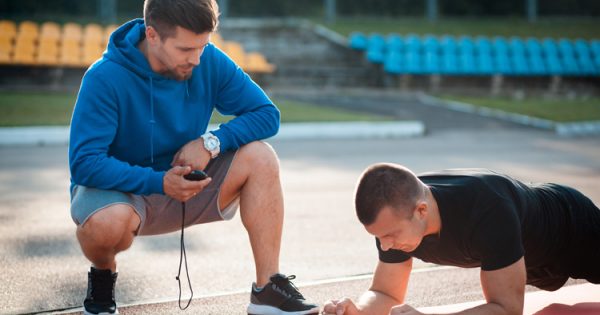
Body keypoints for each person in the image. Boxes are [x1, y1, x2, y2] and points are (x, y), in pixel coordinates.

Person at [68, 0, 320, 314]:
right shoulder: (104, 77)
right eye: (186, 49)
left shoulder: (207, 60)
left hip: (186, 188)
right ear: (153, 35)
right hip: (121, 194)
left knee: (261, 156)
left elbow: (267, 114)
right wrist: (158, 181)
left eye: (203, 45)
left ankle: (267, 288)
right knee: (107, 224)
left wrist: (211, 142)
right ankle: (103, 277)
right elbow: (85, 163)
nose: (197, 59)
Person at [323, 163, 599, 315]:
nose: (384, 245)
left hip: (572, 228)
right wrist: (357, 310)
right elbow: (386, 293)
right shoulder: (394, 220)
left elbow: (507, 310)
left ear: (421, 211)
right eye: (378, 237)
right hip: (529, 258)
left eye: (389, 236)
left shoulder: (487, 208)